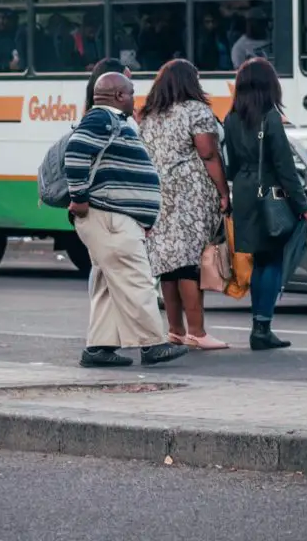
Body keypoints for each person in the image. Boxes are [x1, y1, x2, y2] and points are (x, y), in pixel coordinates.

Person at [64, 71, 188, 368]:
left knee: (109, 283)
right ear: (119, 96)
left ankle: (98, 348)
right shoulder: (102, 118)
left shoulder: (112, 121)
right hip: (109, 216)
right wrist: (79, 197)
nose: (136, 99)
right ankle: (152, 344)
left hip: (113, 217)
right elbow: (76, 151)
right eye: (132, 93)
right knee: (137, 279)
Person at [139, 59, 230, 350]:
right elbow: (208, 154)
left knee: (168, 264)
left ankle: (175, 329)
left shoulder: (149, 115)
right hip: (190, 194)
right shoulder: (196, 111)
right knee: (190, 263)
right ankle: (198, 332)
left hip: (158, 192)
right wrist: (223, 191)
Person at [223, 57, 307, 351]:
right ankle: (262, 327)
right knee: (272, 259)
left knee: (258, 259)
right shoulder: (271, 118)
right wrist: (301, 206)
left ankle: (259, 326)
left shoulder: (231, 118)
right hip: (270, 192)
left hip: (246, 194)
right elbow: (285, 167)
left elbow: (231, 165)